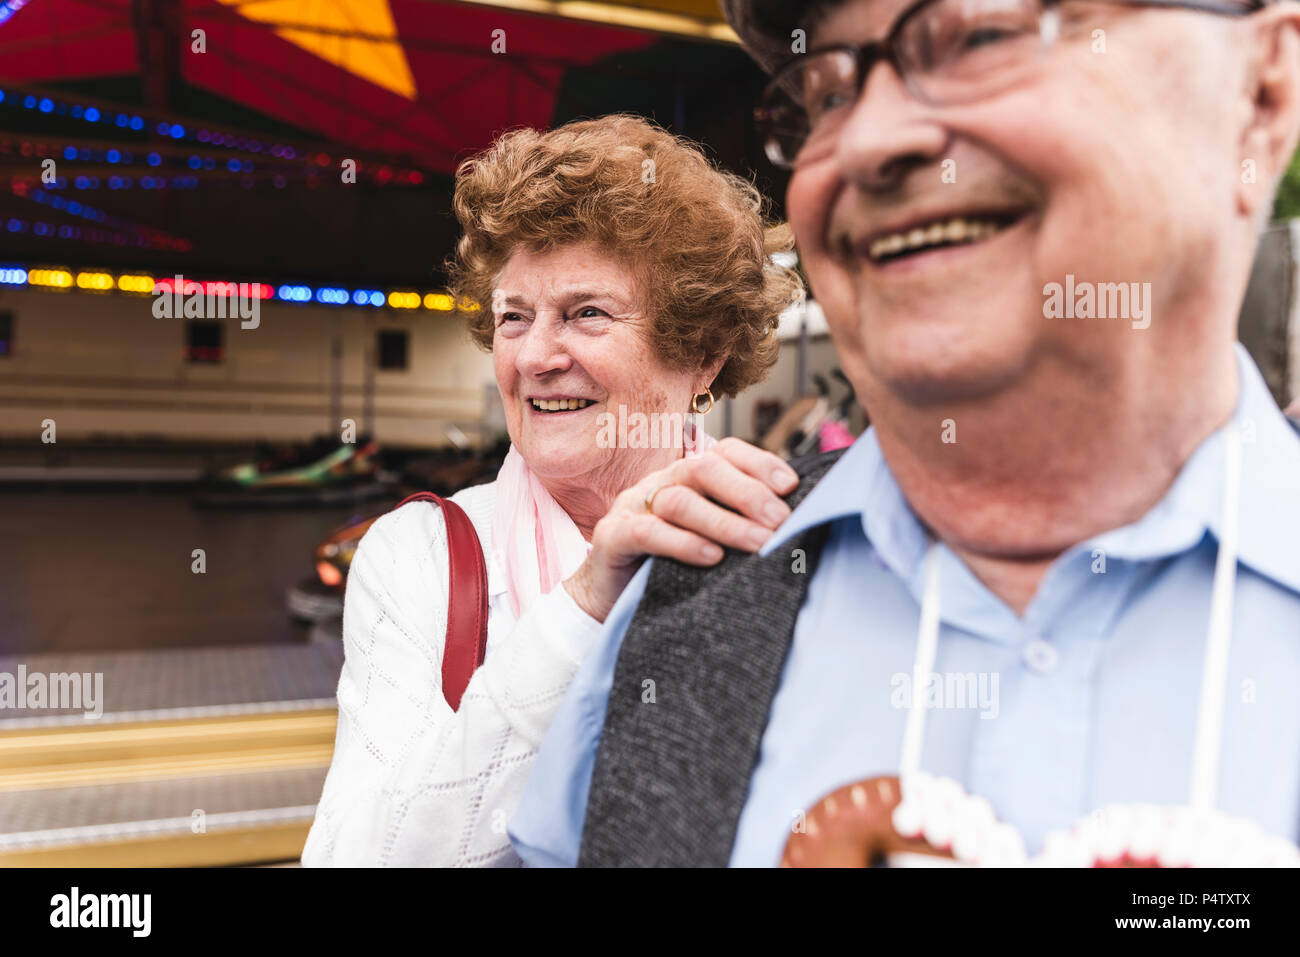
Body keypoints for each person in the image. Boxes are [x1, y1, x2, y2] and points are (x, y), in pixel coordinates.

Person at [509, 0, 1300, 866]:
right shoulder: (684, 602)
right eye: (828, 90)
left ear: (1260, 94)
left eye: (981, 37)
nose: (869, 140)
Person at [301, 113, 803, 866]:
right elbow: (353, 856)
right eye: (514, 317)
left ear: (702, 351)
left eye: (586, 313)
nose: (535, 355)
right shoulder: (423, 557)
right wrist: (583, 605)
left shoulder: (787, 542)